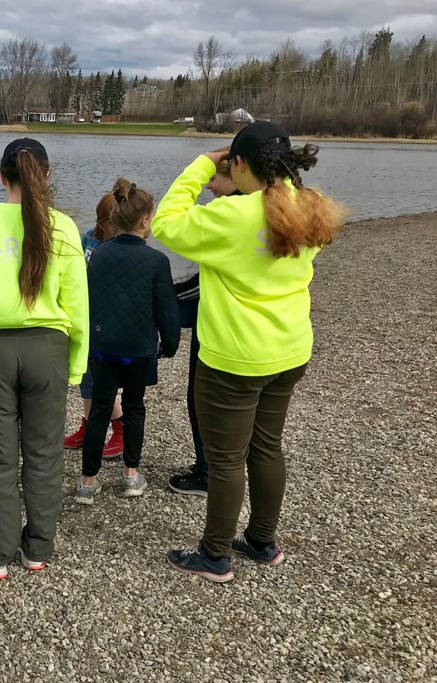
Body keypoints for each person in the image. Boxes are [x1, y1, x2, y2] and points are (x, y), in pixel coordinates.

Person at [152, 122, 347, 583]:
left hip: (235, 357)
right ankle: (261, 540)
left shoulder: (233, 217)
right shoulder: (309, 206)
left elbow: (165, 222)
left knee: (225, 459)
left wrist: (202, 165)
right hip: (290, 349)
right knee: (267, 446)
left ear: (238, 165)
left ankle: (215, 553)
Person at [0, 138, 88, 579]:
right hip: (48, 349)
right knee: (45, 454)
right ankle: (37, 550)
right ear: (45, 175)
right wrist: (78, 361)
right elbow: (77, 302)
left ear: (1, 176)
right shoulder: (63, 226)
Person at [74, 180, 180, 505]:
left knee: (100, 412)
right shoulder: (157, 262)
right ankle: (131, 476)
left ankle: (88, 482)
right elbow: (166, 310)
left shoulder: (97, 256)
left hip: (103, 347)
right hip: (138, 350)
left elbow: (85, 301)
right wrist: (170, 344)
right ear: (145, 220)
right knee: (134, 408)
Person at [168, 152, 241, 497]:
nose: (209, 185)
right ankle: (227, 470)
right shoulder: (276, 210)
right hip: (265, 336)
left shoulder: (226, 216)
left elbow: (168, 223)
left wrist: (163, 296)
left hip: (217, 329)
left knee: (203, 402)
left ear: (236, 174)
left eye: (214, 178)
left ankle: (209, 471)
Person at [62, 183, 125, 458]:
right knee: (84, 379)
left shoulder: (123, 248)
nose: (110, 229)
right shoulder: (87, 239)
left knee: (101, 381)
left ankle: (121, 427)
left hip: (106, 324)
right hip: (83, 319)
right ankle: (88, 426)